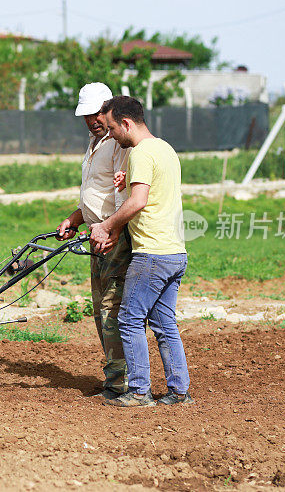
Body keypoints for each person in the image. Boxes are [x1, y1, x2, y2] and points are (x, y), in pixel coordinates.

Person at [89, 95, 193, 407]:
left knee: (130, 319)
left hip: (152, 254)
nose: (110, 135)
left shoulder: (140, 152)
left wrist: (106, 226)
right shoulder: (164, 148)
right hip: (176, 252)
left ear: (126, 123)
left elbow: (139, 203)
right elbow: (152, 191)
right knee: (164, 325)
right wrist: (125, 182)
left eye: (111, 129)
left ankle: (138, 391)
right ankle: (178, 391)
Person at [56, 82, 131, 401]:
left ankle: (121, 383)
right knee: (101, 307)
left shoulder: (118, 143)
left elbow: (122, 193)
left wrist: (110, 230)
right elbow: (95, 192)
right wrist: (75, 219)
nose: (92, 120)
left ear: (109, 110)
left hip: (112, 236)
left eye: (97, 113)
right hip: (96, 233)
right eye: (86, 115)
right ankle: (116, 377)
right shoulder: (94, 142)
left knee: (111, 307)